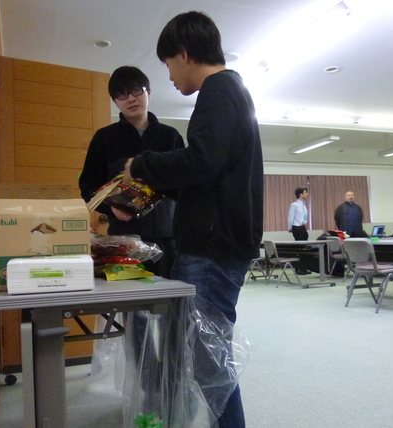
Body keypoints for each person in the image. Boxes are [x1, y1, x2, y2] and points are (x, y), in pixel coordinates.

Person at [122, 11, 263, 428]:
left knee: (209, 362)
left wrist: (142, 165)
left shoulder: (218, 90)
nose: (168, 76)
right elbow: (208, 176)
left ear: (184, 54)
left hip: (212, 250)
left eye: (168, 64)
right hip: (217, 244)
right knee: (207, 356)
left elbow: (201, 160)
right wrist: (156, 189)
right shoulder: (230, 91)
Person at [79, 65, 184, 278]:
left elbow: (184, 184)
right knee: (128, 295)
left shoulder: (170, 136)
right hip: (123, 238)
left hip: (167, 237)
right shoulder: (104, 138)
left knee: (168, 295)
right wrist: (111, 208)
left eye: (137, 90)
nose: (131, 98)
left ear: (149, 93)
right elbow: (88, 187)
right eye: (122, 94)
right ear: (115, 101)